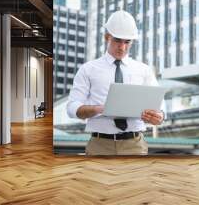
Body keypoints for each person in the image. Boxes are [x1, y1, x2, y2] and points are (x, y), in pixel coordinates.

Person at [66, 10, 164, 156]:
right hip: (99, 145)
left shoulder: (143, 70)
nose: (122, 47)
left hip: (135, 145)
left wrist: (158, 117)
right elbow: (72, 108)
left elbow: (160, 107)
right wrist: (100, 109)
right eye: (118, 40)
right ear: (107, 37)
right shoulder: (88, 69)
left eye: (127, 42)